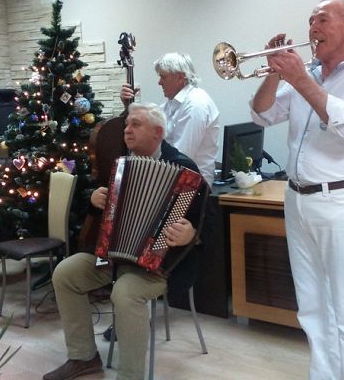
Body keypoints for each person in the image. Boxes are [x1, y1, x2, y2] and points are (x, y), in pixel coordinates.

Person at [250, 0, 344, 380]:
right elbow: (261, 113)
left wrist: (298, 78)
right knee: (312, 308)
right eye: (310, 20)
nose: (312, 28)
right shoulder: (309, 74)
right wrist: (272, 72)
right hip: (297, 200)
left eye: (322, 19)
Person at [44, 102, 207, 380]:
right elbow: (102, 215)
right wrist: (94, 202)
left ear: (158, 133)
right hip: (115, 256)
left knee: (125, 292)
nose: (127, 130)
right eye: (126, 125)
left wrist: (190, 234)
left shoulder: (184, 170)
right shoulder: (119, 164)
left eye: (135, 124)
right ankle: (84, 357)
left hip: (160, 264)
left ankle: (131, 376)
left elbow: (208, 223)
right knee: (65, 273)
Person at [120, 52, 220, 186]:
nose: (159, 82)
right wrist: (128, 105)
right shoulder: (170, 104)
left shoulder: (196, 105)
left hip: (190, 187)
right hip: (170, 178)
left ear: (180, 77)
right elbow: (151, 129)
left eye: (163, 77)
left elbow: (183, 156)